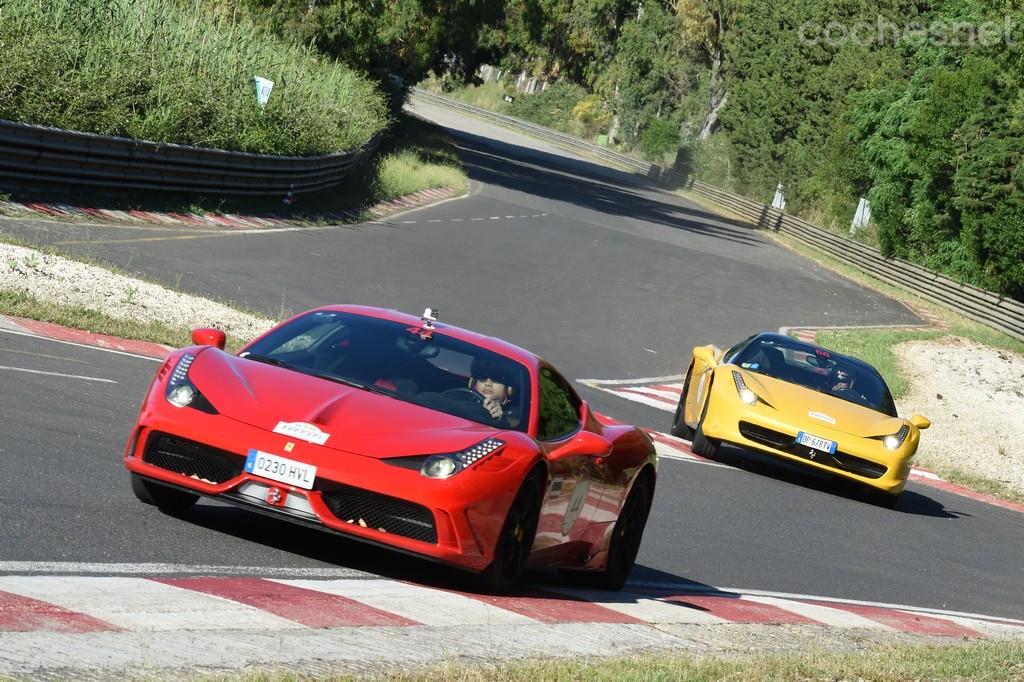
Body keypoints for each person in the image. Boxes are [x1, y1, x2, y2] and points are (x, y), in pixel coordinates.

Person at [468, 358, 517, 425]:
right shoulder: (459, 400)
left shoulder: (517, 418)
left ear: (509, 389)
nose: (488, 384)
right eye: (483, 378)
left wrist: (502, 419)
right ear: (473, 383)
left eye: (496, 379)